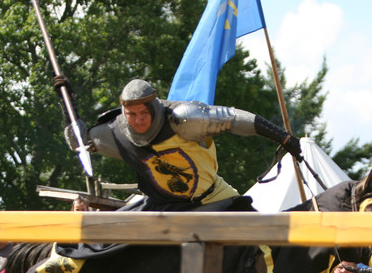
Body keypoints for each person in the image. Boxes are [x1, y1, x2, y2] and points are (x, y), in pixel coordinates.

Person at [60, 78, 301, 211]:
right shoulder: (115, 133)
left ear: (152, 106)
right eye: (132, 115)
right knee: (105, 240)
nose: (138, 120)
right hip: (159, 208)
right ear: (124, 111)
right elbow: (78, 142)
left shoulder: (185, 119)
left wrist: (284, 138)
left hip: (212, 199)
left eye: (143, 113)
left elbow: (235, 119)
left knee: (260, 243)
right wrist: (67, 104)